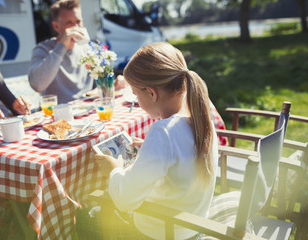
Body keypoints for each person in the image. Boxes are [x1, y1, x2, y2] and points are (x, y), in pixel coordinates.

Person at [81, 42, 219, 240]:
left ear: (152, 93)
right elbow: (181, 157)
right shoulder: (202, 119)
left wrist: (114, 170)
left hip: (159, 232)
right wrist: (149, 149)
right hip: (190, 228)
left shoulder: (162, 133)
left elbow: (124, 200)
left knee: (88, 217)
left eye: (136, 94)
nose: (136, 100)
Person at [28, 0, 94, 103]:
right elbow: (37, 85)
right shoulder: (43, 49)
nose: (76, 27)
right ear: (56, 26)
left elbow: (97, 84)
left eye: (78, 21)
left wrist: (113, 82)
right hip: (60, 112)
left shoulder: (86, 48)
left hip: (87, 109)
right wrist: (62, 46)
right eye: (69, 23)